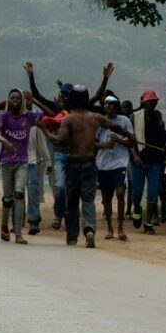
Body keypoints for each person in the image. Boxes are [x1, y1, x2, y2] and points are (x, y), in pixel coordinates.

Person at [39, 85, 134, 248]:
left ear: (72, 100)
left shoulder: (68, 119)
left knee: (72, 201)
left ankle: (72, 236)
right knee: (88, 199)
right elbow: (115, 127)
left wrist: (44, 130)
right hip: (90, 163)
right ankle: (89, 228)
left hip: (73, 164)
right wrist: (129, 136)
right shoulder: (95, 117)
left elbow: (57, 140)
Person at [27, 62, 113, 230]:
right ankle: (59, 215)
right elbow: (37, 95)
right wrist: (31, 76)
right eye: (63, 94)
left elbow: (97, 95)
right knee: (60, 187)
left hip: (78, 156)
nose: (65, 98)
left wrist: (105, 78)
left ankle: (73, 217)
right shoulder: (57, 108)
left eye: (68, 94)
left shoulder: (83, 108)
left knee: (79, 190)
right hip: (60, 154)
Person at [0, 89, 44, 244]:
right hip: (7, 162)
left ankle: (18, 233)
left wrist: (34, 101)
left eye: (18, 98)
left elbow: (49, 114)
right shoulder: (3, 117)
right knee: (8, 199)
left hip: (22, 162)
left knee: (19, 193)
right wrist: (5, 141)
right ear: (8, 100)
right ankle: (4, 225)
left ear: (22, 101)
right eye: (12, 98)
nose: (15, 100)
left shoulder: (28, 117)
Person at [95, 96, 135, 241]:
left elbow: (132, 140)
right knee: (106, 197)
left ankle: (120, 227)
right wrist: (105, 145)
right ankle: (109, 228)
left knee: (120, 192)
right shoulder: (99, 121)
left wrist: (119, 140)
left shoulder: (124, 121)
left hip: (120, 162)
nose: (108, 106)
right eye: (106, 104)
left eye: (111, 104)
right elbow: (93, 142)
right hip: (103, 163)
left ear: (116, 106)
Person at [129, 90, 166, 234]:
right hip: (138, 161)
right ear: (143, 103)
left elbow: (161, 137)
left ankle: (148, 223)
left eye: (154, 101)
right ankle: (137, 209)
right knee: (137, 194)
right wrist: (135, 156)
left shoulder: (158, 116)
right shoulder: (134, 116)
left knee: (152, 193)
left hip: (154, 162)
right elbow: (130, 139)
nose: (152, 103)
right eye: (149, 101)